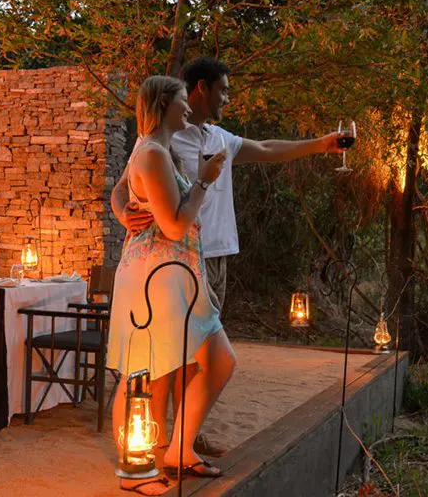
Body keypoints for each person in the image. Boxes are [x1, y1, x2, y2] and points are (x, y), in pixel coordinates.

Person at [111, 57, 344, 457]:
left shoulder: (218, 138)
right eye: (223, 89)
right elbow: (125, 187)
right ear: (200, 89)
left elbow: (269, 149)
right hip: (167, 264)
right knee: (166, 360)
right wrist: (121, 212)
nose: (228, 97)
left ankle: (183, 441)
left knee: (191, 354)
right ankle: (162, 444)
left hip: (211, 256)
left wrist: (321, 144)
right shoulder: (159, 142)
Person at [107, 75, 235, 495]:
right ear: (165, 104)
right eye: (183, 101)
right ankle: (135, 469)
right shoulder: (153, 154)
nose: (188, 108)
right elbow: (176, 227)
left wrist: (122, 209)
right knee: (143, 374)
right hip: (156, 277)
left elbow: (121, 190)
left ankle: (179, 450)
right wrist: (204, 180)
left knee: (217, 360)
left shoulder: (153, 151)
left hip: (178, 276)